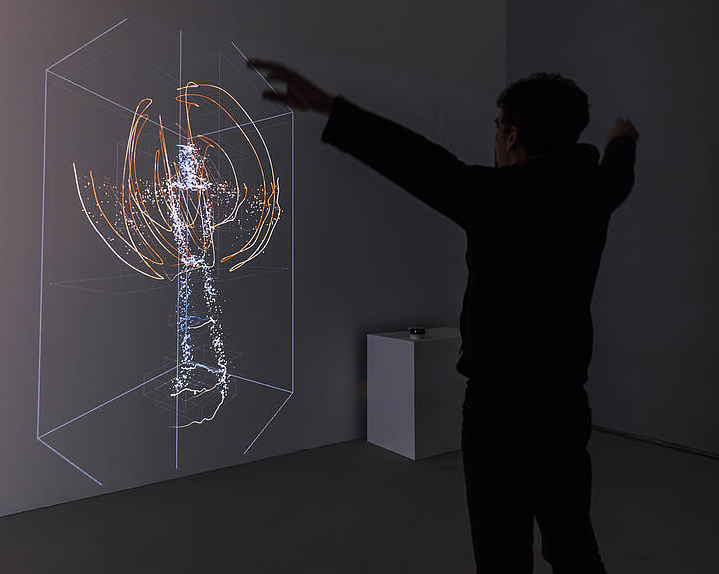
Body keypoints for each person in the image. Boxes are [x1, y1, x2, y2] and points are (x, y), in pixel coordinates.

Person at [248, 58, 639, 573]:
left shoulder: (498, 198)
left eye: (498, 127)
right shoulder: (593, 193)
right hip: (566, 405)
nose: (495, 138)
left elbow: (416, 161)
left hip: (500, 414)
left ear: (514, 136)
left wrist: (329, 107)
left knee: (502, 553)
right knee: (572, 542)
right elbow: (619, 174)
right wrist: (623, 140)